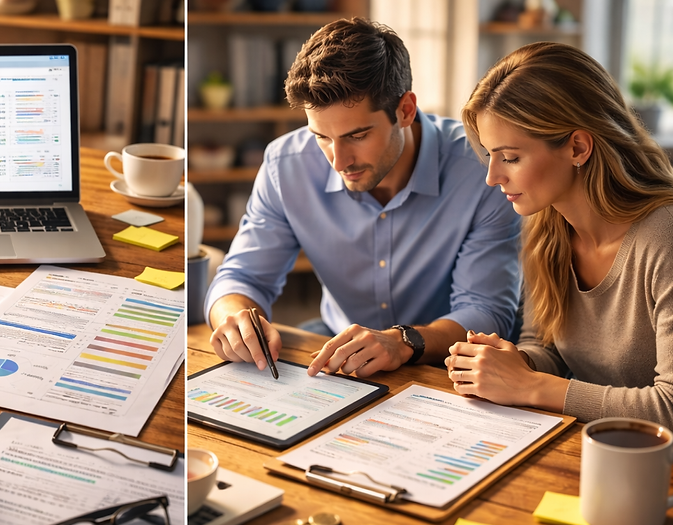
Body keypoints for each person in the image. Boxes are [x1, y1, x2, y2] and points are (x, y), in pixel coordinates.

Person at [204, 18, 521, 379]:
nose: (338, 161)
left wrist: (401, 342)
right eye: (321, 137)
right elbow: (243, 276)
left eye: (357, 135)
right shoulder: (285, 165)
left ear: (405, 110)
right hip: (339, 345)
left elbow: (486, 310)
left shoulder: (482, 169)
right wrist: (235, 317)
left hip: (445, 360)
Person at [446, 41, 673, 427]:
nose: (492, 177)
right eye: (490, 155)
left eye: (512, 158)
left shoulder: (665, 238)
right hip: (594, 448)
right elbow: (546, 344)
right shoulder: (546, 226)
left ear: (578, 147)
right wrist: (516, 362)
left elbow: (670, 407)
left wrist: (531, 386)